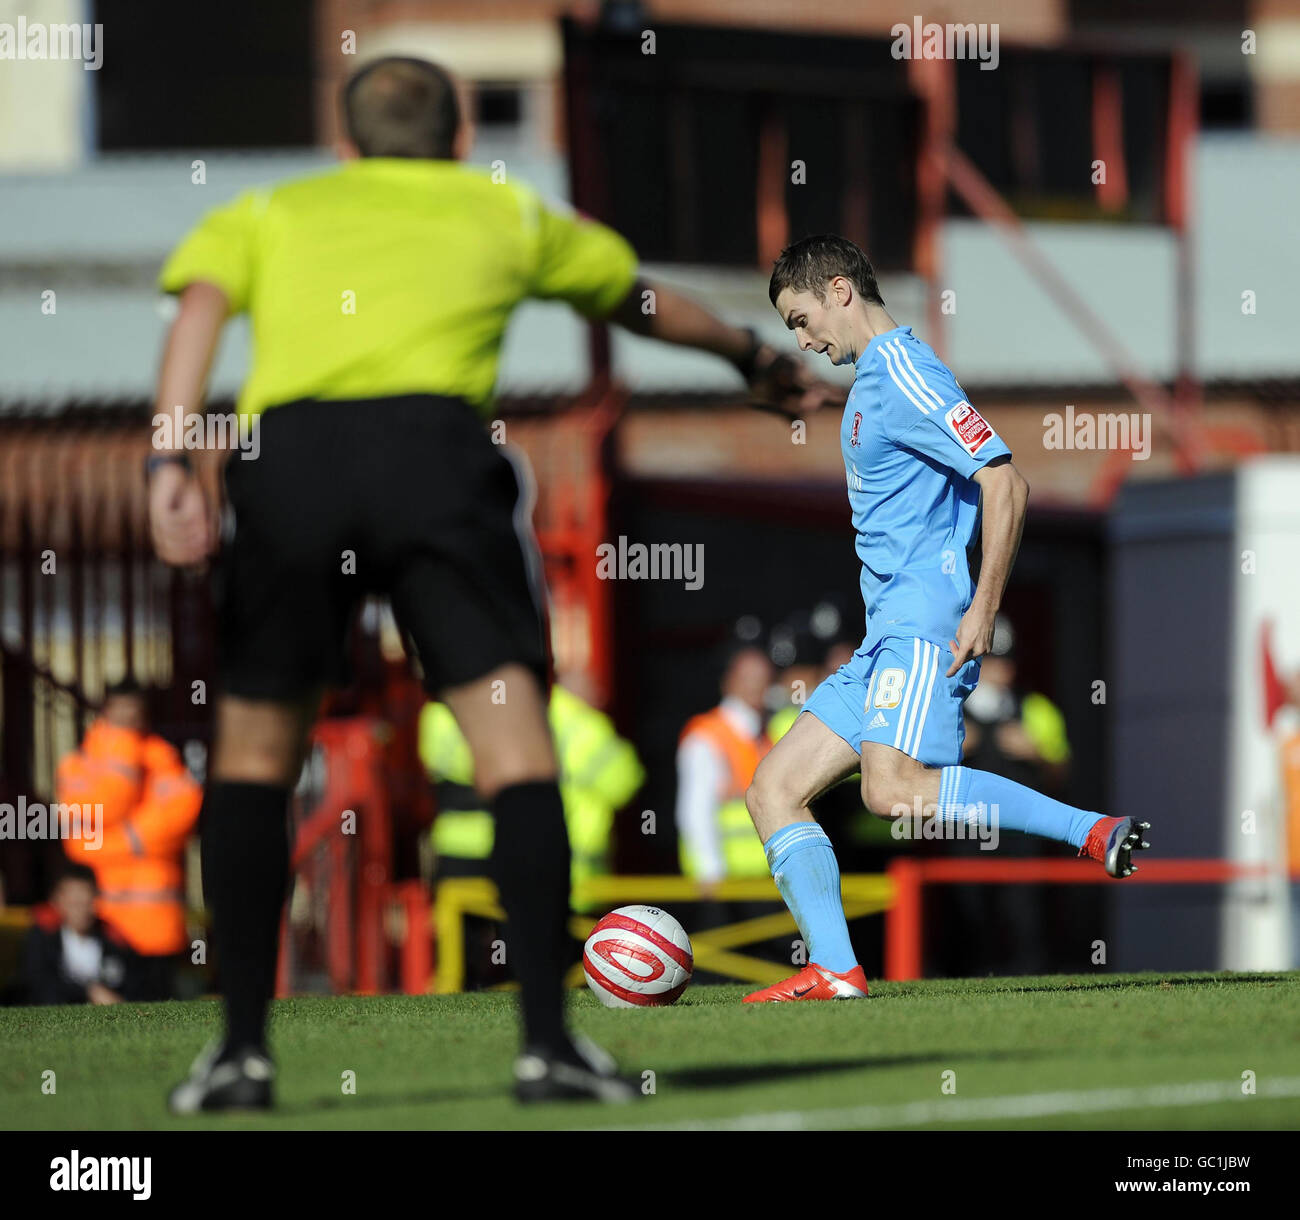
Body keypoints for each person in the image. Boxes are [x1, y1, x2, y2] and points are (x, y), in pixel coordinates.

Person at [148, 56, 839, 1107]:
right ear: (460, 139)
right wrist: (749, 356)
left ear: (346, 144)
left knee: (250, 756)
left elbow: (198, 305)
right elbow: (639, 298)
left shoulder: (270, 210)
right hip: (434, 458)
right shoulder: (504, 211)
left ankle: (239, 1050)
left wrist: (170, 457)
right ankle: (546, 1046)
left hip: (292, 465)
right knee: (516, 749)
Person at [743, 234, 1151, 1002]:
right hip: (882, 636)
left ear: (839, 290)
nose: (802, 337)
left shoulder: (904, 369)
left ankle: (1088, 831)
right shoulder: (875, 381)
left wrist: (984, 609)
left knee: (890, 790)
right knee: (773, 789)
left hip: (924, 623)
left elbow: (1005, 483)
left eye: (801, 319)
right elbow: (903, 442)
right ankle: (836, 968)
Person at [420, 680, 644, 906]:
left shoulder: (447, 710)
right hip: (564, 879)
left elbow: (432, 757)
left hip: (461, 864)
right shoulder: (571, 718)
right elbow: (624, 782)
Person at [57, 680, 201, 1000]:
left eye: (134, 709)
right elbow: (81, 838)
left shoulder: (162, 756)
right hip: (103, 923)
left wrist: (122, 839)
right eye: (122, 708)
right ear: (107, 710)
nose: (129, 716)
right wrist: (139, 840)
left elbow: (183, 814)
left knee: (161, 1014)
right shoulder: (78, 763)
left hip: (158, 924)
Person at [675, 643, 774, 889]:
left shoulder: (764, 735)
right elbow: (695, 809)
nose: (757, 686)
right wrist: (710, 870)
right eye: (749, 678)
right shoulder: (707, 736)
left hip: (761, 879)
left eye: (763, 678)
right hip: (725, 882)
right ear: (729, 681)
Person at [20, 866, 139, 1007]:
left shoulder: (113, 939)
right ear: (57, 901)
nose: (81, 911)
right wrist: (87, 992)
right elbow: (37, 983)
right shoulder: (43, 936)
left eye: (87, 903)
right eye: (74, 903)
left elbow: (135, 984)